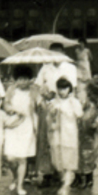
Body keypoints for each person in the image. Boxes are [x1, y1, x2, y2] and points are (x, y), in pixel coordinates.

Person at [34, 44, 78, 185]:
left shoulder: (70, 68)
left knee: (64, 141)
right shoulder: (45, 68)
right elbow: (36, 87)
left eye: (58, 53)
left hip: (64, 108)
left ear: (63, 53)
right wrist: (41, 100)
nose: (55, 56)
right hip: (48, 107)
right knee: (47, 140)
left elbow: (73, 90)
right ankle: (47, 173)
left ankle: (66, 173)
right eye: (52, 53)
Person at [2, 65, 38, 195]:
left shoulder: (34, 91)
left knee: (22, 158)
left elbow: (40, 104)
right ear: (15, 79)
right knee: (10, 158)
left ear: (29, 79)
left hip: (27, 126)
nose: (22, 81)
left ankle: (20, 186)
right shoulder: (11, 90)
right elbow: (5, 105)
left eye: (25, 79)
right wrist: (14, 110)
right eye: (20, 79)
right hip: (13, 126)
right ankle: (15, 177)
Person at [48, 77, 83, 195]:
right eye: (60, 88)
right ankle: (64, 180)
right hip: (56, 134)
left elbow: (79, 114)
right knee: (57, 160)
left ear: (69, 89)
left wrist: (63, 109)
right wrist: (53, 112)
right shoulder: (54, 102)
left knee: (69, 160)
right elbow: (49, 118)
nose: (62, 91)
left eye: (65, 88)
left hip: (69, 133)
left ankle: (66, 186)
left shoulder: (74, 101)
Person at [75, 98, 98, 189]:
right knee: (77, 158)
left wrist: (95, 126)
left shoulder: (92, 111)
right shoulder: (75, 108)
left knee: (88, 157)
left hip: (89, 138)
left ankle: (89, 179)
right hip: (77, 138)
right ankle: (79, 179)